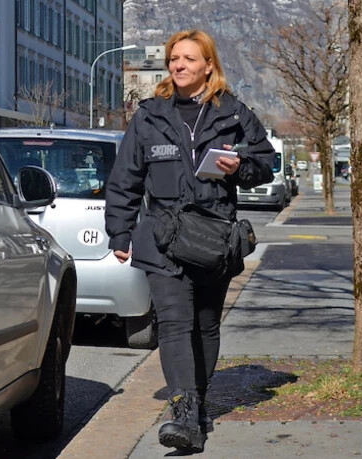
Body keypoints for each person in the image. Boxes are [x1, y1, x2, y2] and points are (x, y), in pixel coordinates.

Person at [104, 30, 275, 452]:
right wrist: (120, 232)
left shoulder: (233, 112)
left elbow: (266, 162)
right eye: (174, 59)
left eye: (188, 59)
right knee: (175, 324)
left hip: (213, 237)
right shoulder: (149, 115)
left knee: (205, 324)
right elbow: (125, 178)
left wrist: (239, 166)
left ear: (208, 66)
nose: (179, 65)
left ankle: (198, 403)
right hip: (162, 237)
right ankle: (184, 412)